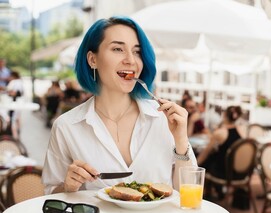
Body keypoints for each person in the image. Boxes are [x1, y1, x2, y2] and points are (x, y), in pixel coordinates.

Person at [42, 16, 197, 195]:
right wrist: (68, 186)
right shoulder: (66, 127)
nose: (131, 60)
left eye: (137, 51)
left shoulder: (164, 119)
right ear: (92, 60)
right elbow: (51, 195)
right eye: (118, 49)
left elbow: (189, 193)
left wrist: (181, 140)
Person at [197, 106, 248, 208]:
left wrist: (196, 164)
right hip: (241, 172)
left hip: (225, 173)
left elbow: (206, 151)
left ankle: (206, 195)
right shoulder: (243, 130)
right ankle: (218, 192)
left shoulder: (220, 133)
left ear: (224, 115)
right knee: (213, 158)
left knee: (206, 161)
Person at [6, 71, 24, 139]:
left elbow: (14, 92)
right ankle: (17, 135)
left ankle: (14, 137)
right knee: (17, 118)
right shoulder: (20, 82)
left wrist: (8, 92)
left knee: (13, 119)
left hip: (14, 104)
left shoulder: (14, 82)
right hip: (19, 103)